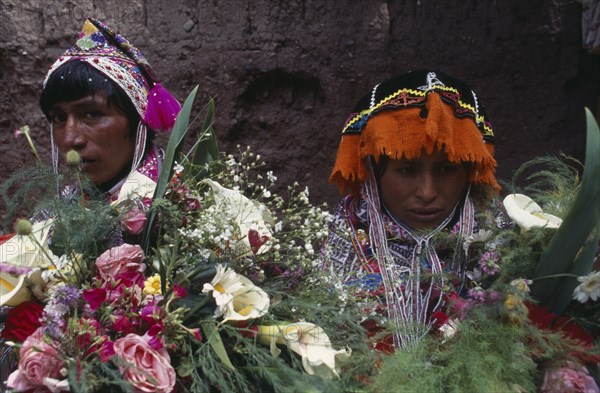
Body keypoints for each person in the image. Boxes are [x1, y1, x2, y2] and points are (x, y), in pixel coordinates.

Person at [321, 70, 509, 351]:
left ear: (470, 169)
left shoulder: (499, 237)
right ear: (373, 172)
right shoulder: (348, 236)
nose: (427, 192)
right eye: (407, 170)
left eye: (447, 169)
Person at [39, 17, 181, 201]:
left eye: (92, 114)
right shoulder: (56, 216)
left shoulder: (184, 210)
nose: (70, 139)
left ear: (137, 120)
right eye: (59, 118)